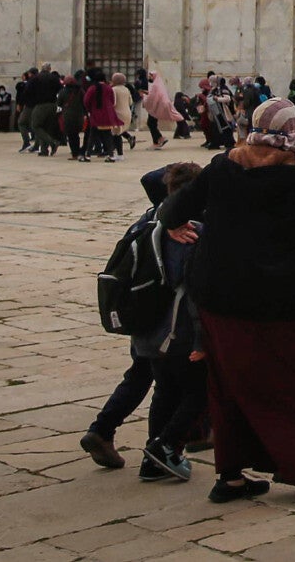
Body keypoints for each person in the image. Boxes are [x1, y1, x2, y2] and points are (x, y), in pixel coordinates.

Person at [156, 100, 295, 501]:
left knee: (230, 384)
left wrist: (175, 228)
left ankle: (231, 478)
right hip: (284, 298)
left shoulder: (224, 165)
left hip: (219, 296)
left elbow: (172, 209)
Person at [81, 161, 206, 481]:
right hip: (175, 329)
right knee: (197, 389)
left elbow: (151, 178)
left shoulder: (151, 217)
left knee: (160, 386)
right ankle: (164, 447)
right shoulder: (189, 230)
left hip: (146, 325)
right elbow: (191, 287)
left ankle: (154, 455)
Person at [142, 71, 178, 150]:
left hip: (155, 108)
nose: (149, 78)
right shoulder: (158, 84)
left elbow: (152, 97)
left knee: (151, 123)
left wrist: (144, 97)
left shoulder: (155, 85)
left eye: (150, 76)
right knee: (152, 124)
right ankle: (158, 140)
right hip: (156, 107)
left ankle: (158, 140)